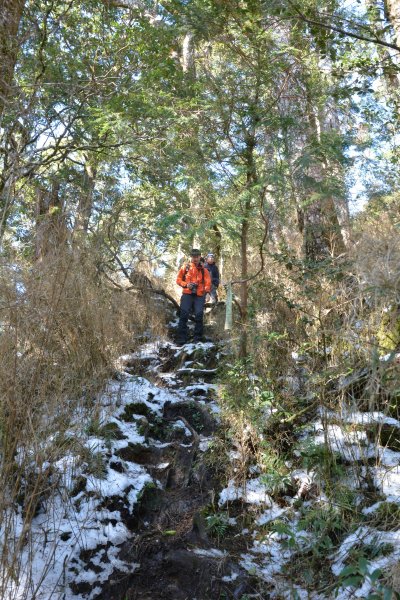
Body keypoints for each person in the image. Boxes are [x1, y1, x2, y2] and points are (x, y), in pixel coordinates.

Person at [176, 249, 211, 344]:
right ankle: (181, 338)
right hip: (187, 293)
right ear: (190, 257)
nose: (195, 258)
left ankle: (198, 338)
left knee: (199, 315)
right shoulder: (185, 267)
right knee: (183, 314)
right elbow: (178, 280)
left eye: (197, 256)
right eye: (193, 256)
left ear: (200, 257)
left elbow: (208, 282)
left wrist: (207, 293)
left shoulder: (205, 271)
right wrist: (186, 284)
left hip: (200, 295)